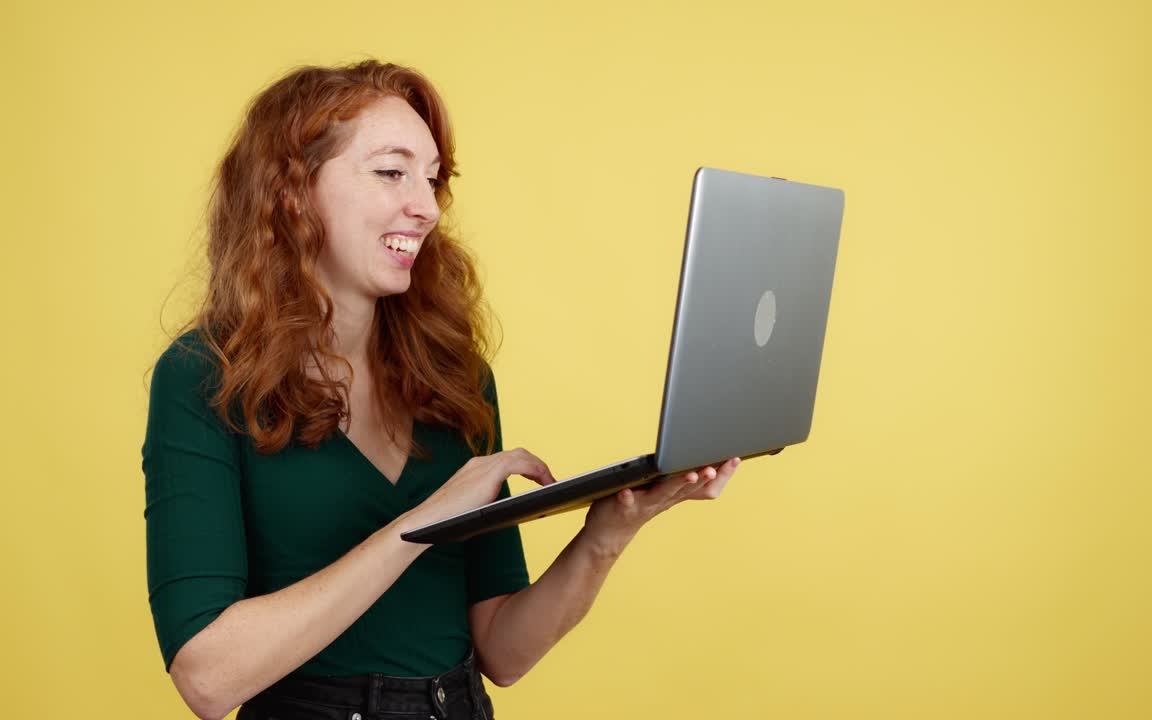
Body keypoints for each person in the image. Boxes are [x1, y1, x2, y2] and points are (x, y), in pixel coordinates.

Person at [142, 59, 739, 720]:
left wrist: (609, 532)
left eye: (432, 178)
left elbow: (504, 652)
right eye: (391, 172)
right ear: (290, 191)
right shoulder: (203, 375)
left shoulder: (453, 377)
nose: (425, 208)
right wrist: (422, 524)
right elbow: (208, 679)